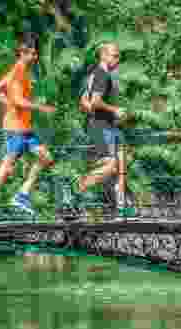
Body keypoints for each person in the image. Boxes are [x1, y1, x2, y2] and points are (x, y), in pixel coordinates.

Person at [0, 33, 57, 224]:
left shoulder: (18, 71)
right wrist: (40, 107)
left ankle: (22, 195)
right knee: (7, 168)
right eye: (33, 54)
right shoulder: (18, 72)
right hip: (15, 129)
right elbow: (19, 101)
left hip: (25, 129)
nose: (36, 58)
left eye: (36, 54)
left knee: (46, 157)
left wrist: (7, 103)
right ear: (23, 52)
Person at [75, 42, 135, 218]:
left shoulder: (96, 75)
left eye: (118, 56)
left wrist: (114, 115)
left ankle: (122, 207)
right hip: (102, 127)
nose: (117, 60)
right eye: (114, 56)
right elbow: (94, 102)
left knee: (122, 165)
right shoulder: (101, 74)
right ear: (103, 55)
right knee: (111, 166)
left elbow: (85, 102)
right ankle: (79, 188)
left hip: (112, 126)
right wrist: (115, 110)